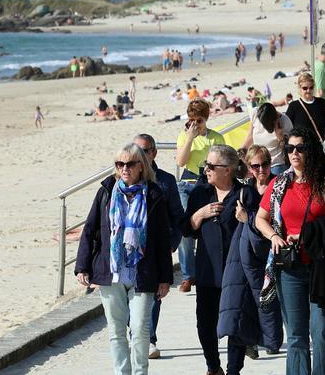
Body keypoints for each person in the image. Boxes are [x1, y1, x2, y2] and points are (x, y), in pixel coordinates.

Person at [254, 128, 325, 375]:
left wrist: (309, 233)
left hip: (322, 264)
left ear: (311, 151)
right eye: (290, 149)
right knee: (296, 335)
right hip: (290, 266)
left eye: (300, 148)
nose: (294, 153)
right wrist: (274, 236)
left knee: (323, 330)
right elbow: (260, 219)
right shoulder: (279, 184)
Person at [74, 143, 173, 375]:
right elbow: (91, 229)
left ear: (141, 166)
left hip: (143, 272)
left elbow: (161, 238)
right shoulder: (106, 192)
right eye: (120, 164)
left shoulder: (154, 194)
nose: (124, 168)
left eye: (129, 164)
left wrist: (165, 278)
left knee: (139, 328)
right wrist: (82, 266)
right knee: (116, 330)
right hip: (111, 271)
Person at [181, 145, 258, 375]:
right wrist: (199, 215)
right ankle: (213, 367)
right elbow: (186, 229)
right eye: (206, 165)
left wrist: (246, 219)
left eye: (212, 166)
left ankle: (234, 370)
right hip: (207, 270)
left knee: (235, 323)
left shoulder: (246, 194)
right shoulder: (199, 193)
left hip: (236, 271)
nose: (206, 170)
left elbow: (259, 227)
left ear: (228, 169)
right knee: (205, 325)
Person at [131, 134, 184, 360]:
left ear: (154, 152)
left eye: (144, 150)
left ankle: (148, 339)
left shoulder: (166, 181)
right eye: (136, 150)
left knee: (153, 296)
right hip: (129, 251)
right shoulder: (125, 178)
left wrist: (171, 244)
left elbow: (177, 216)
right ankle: (136, 332)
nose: (139, 155)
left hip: (156, 251)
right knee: (129, 297)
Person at [176, 98, 227, 293]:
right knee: (186, 232)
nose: (195, 124)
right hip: (188, 183)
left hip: (209, 183)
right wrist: (190, 137)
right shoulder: (184, 136)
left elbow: (222, 161)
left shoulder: (215, 137)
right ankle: (188, 275)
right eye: (192, 119)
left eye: (199, 120)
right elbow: (181, 162)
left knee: (211, 227)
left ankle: (210, 269)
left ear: (206, 119)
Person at [240, 146, 284, 356]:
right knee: (251, 294)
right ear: (249, 168)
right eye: (255, 166)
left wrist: (247, 218)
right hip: (249, 249)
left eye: (264, 164)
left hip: (274, 246)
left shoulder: (280, 185)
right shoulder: (245, 189)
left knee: (270, 294)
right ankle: (253, 341)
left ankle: (272, 341)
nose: (260, 170)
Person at [243, 103, 293, 176]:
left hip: (276, 163)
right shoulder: (255, 113)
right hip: (257, 161)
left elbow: (288, 148)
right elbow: (250, 135)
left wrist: (278, 134)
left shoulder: (284, 121)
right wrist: (242, 151)